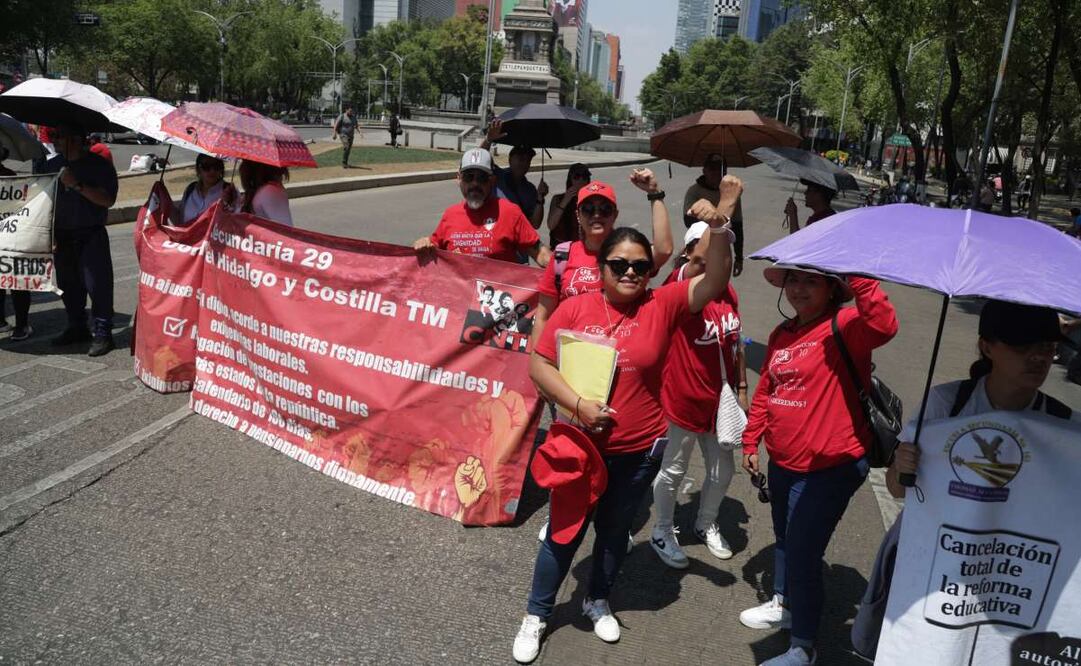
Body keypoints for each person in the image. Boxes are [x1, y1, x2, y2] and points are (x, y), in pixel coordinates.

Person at [511, 178, 742, 664]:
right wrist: (577, 406)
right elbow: (539, 364)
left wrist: (721, 226)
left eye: (640, 265)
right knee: (564, 532)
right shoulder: (575, 307)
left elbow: (716, 280)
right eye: (620, 265)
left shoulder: (664, 304)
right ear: (602, 268)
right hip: (580, 445)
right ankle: (537, 612)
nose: (632, 272)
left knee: (614, 534)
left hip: (636, 452)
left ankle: (597, 600)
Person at [849, 302, 1080, 661]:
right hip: (936, 561)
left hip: (1013, 571)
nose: (1039, 358)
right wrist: (901, 466)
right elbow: (898, 489)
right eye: (1023, 347)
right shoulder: (947, 405)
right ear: (987, 346)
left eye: (1048, 349)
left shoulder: (1066, 426)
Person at [739, 265, 898, 666]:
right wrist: (751, 437)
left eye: (811, 280)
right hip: (784, 460)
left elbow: (883, 324)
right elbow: (768, 390)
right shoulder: (782, 333)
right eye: (793, 280)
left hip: (832, 466)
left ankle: (803, 647)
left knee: (804, 551)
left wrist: (857, 271)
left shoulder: (845, 323)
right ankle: (783, 600)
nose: (798, 288)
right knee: (783, 535)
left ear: (832, 289)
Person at [649, 220, 747, 569]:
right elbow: (698, 264)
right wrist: (720, 218)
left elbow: (735, 343)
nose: (717, 258)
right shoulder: (681, 287)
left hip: (717, 402)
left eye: (724, 249)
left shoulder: (729, 293)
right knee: (673, 470)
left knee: (723, 471)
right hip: (683, 399)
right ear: (688, 254)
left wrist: (742, 389)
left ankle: (705, 522)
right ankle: (661, 530)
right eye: (705, 252)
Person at [531, 169, 674, 348]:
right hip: (568, 356)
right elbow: (543, 317)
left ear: (615, 214)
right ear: (578, 215)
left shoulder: (629, 253)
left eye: (605, 209)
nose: (596, 215)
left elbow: (663, 250)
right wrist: (538, 361)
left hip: (618, 354)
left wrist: (654, 193)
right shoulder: (562, 255)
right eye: (589, 209)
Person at [37, 124, 119, 356]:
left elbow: (107, 200)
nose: (54, 140)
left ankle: (103, 333)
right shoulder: (52, 165)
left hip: (90, 234)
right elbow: (44, 202)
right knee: (68, 286)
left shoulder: (100, 166)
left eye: (58, 136)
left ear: (74, 139)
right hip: (62, 235)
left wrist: (76, 184)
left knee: (98, 285)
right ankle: (77, 326)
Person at [414, 148, 550, 266]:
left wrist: (566, 266)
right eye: (468, 177)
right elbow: (433, 247)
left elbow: (540, 253)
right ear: (459, 179)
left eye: (482, 178)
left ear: (493, 181)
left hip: (499, 294)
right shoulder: (450, 215)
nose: (475, 184)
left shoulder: (510, 212)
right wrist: (424, 242)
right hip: (460, 294)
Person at [682, 153, 745, 275]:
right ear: (704, 170)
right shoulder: (694, 191)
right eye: (712, 169)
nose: (716, 173)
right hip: (697, 245)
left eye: (720, 169)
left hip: (721, 246)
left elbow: (737, 227)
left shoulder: (731, 194)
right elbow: (688, 220)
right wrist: (713, 216)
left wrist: (739, 258)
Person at [480, 119, 548, 230]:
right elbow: (480, 159)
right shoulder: (496, 176)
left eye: (528, 160)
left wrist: (540, 198)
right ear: (510, 159)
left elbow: (535, 224)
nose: (524, 163)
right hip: (492, 235)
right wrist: (489, 140)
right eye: (521, 159)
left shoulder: (530, 190)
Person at [227, 160, 292, 226]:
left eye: (244, 162)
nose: (241, 167)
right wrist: (233, 203)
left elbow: (285, 230)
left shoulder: (269, 192)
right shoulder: (259, 190)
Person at [171, 153, 225, 226]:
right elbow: (180, 218)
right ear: (199, 169)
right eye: (206, 166)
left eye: (216, 166)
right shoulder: (191, 189)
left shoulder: (229, 192)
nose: (212, 171)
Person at [545, 163, 591, 247]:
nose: (581, 180)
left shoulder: (591, 201)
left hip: (582, 247)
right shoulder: (558, 199)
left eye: (584, 176)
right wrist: (565, 201)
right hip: (561, 247)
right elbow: (551, 225)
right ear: (570, 180)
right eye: (577, 176)